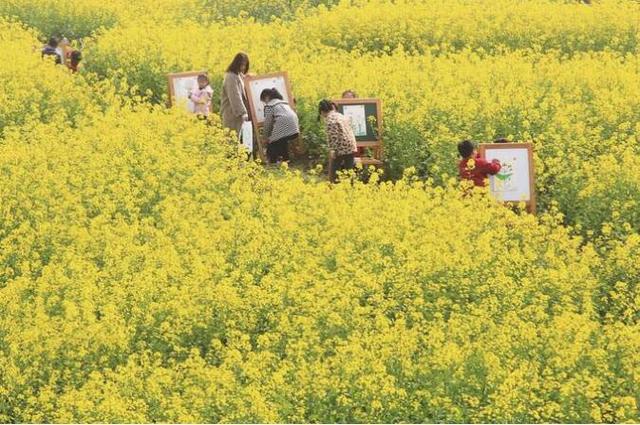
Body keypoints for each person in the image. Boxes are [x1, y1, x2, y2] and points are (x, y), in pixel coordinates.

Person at [318, 99, 358, 182]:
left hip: (341, 147)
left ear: (322, 111)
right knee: (349, 170)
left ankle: (334, 186)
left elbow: (334, 136)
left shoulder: (330, 120)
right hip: (351, 145)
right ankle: (351, 186)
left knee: (334, 170)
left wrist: (333, 150)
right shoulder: (340, 115)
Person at [261, 88, 299, 164]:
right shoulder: (284, 103)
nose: (264, 103)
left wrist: (265, 138)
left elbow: (267, 124)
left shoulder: (269, 106)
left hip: (284, 128)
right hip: (295, 129)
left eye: (264, 100)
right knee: (282, 139)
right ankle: (286, 159)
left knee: (272, 142)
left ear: (267, 97)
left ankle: (273, 162)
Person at [220, 52, 250, 134]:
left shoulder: (237, 74)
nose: (243, 67)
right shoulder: (230, 77)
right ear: (236, 64)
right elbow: (235, 96)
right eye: (242, 65)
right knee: (231, 139)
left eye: (245, 65)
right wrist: (243, 112)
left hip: (236, 114)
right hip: (232, 113)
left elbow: (243, 79)